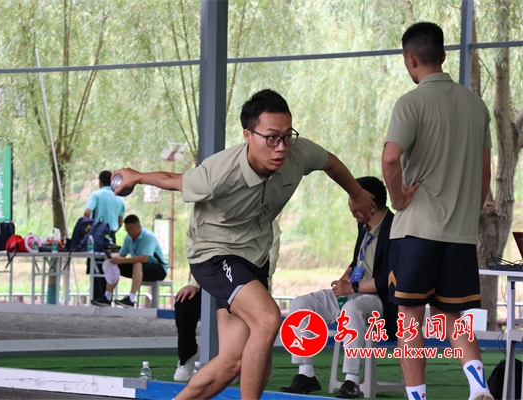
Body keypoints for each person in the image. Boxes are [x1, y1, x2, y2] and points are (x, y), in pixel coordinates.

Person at [112, 89, 376, 399]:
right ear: (248, 135)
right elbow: (173, 179)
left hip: (254, 256)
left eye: (287, 136)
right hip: (214, 253)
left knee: (232, 361)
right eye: (271, 138)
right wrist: (136, 176)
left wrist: (357, 192)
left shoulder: (298, 152)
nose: (281, 147)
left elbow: (330, 162)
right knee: (267, 318)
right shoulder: (218, 173)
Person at [382, 22, 493, 400]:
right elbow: (485, 174)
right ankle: (478, 385)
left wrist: (398, 199)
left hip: (417, 232)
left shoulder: (411, 103)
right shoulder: (476, 106)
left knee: (410, 320)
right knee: (452, 318)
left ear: (410, 59)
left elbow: (390, 158)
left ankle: (417, 397)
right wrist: (468, 214)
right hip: (460, 235)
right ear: (444, 55)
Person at [279, 176, 398, 398]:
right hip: (354, 291)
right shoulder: (364, 225)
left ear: (370, 201)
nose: (350, 207)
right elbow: (360, 260)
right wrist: (347, 275)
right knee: (301, 304)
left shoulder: (395, 227)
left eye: (353, 197)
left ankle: (351, 380)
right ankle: (306, 374)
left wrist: (353, 287)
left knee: (351, 309)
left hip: (379, 300)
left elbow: (391, 278)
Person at [173, 219, 282, 382]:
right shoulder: (219, 217)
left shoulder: (268, 223)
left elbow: (270, 260)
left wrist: (245, 284)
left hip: (246, 282)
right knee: (184, 303)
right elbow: (204, 253)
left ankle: (250, 362)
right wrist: (193, 284)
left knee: (250, 311)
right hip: (214, 277)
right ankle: (188, 356)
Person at [91, 214, 168, 307]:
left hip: (159, 269)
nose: (129, 232)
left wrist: (122, 260)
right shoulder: (128, 238)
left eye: (131, 229)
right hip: (139, 269)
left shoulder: (149, 237)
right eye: (127, 229)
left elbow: (144, 258)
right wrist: (112, 257)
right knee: (113, 263)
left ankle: (131, 299)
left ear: (138, 227)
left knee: (137, 264)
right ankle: (107, 297)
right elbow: (121, 255)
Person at [84, 171, 126, 300]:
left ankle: (96, 299)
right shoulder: (120, 198)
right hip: (111, 237)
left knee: (96, 268)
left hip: (96, 236)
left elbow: (87, 213)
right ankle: (107, 298)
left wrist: (88, 228)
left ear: (100, 182)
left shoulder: (96, 194)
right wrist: (112, 231)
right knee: (109, 268)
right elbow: (120, 222)